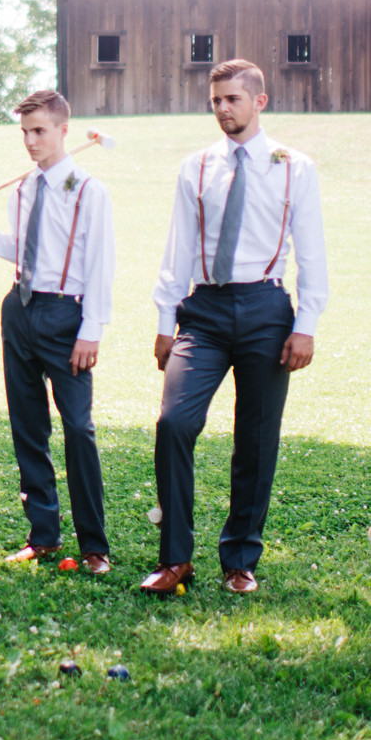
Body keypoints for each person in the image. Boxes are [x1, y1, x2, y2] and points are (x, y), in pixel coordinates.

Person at [142, 58, 329, 596]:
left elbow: (312, 253)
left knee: (255, 437)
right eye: (216, 99)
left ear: (259, 101)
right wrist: (164, 319)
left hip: (268, 311)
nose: (223, 108)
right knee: (174, 423)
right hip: (203, 311)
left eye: (233, 99)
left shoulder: (295, 166)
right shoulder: (195, 167)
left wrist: (307, 324)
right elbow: (177, 247)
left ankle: (240, 558)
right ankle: (175, 558)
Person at [0, 87, 113, 575]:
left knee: (78, 429)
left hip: (67, 317)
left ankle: (93, 546)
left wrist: (91, 330)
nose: (31, 141)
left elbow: (100, 265)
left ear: (64, 130)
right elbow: (25, 251)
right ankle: (43, 534)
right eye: (25, 132)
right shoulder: (23, 189)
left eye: (40, 131)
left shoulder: (88, 190)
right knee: (28, 426)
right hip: (19, 309)